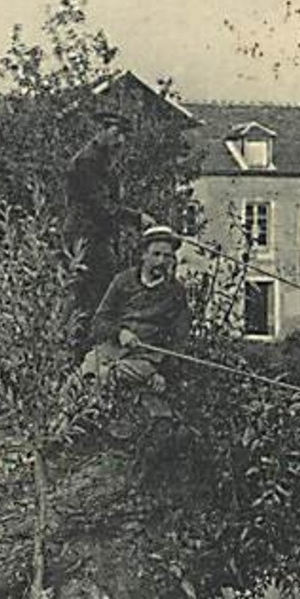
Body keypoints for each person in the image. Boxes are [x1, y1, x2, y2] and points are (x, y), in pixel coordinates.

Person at [81, 226, 191, 421]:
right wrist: (119, 333)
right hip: (111, 350)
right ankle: (52, 438)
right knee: (81, 377)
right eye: (156, 254)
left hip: (145, 359)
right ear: (143, 255)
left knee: (110, 374)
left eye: (167, 256)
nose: (161, 261)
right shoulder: (122, 281)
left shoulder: (176, 293)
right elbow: (99, 322)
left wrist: (162, 373)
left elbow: (178, 341)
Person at [63, 110, 147, 342]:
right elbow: (101, 207)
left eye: (124, 136)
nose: (121, 141)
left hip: (99, 237)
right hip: (86, 238)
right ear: (101, 131)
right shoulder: (87, 163)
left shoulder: (102, 161)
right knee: (97, 293)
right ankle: (87, 344)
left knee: (100, 290)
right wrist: (137, 218)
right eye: (117, 133)